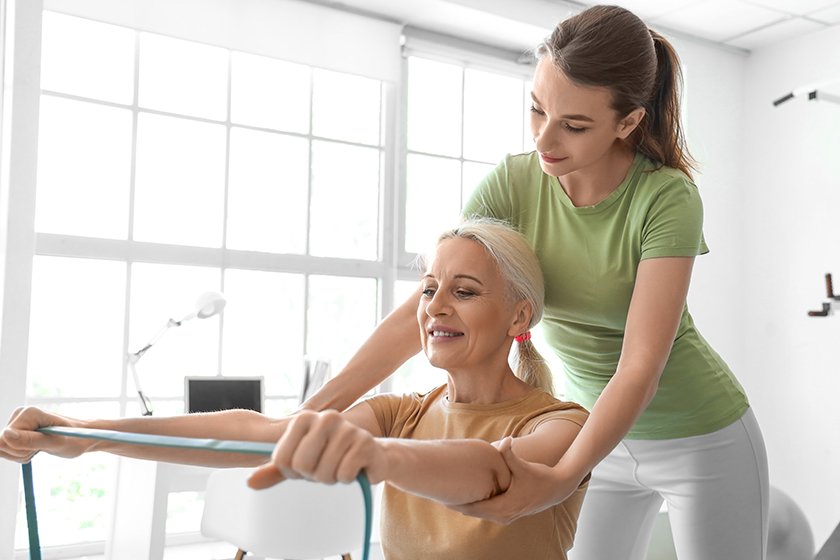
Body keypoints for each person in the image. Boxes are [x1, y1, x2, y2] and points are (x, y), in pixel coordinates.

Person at [294, 5, 769, 560]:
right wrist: (312, 413)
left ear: (628, 122)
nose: (545, 137)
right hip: (592, 430)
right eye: (537, 110)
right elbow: (422, 311)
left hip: (699, 436)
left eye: (574, 125)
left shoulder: (666, 198)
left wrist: (565, 477)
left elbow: (640, 365)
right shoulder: (514, 183)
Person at [2, 219, 590, 559]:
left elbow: (490, 472)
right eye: (430, 288)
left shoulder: (563, 425)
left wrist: (381, 457)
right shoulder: (401, 414)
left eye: (464, 291)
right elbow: (258, 433)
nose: (435, 306)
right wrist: (87, 434)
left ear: (519, 316)